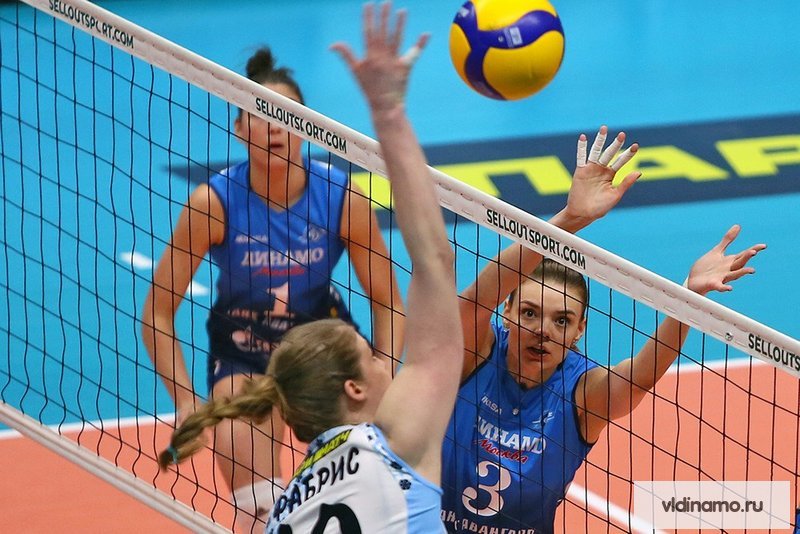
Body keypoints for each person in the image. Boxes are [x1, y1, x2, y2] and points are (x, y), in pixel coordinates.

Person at [158, 3, 461, 532]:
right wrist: (185, 399)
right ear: (238, 128)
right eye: (259, 113)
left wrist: (384, 367)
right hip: (243, 355)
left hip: (324, 354)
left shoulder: (342, 197)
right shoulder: (212, 204)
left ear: (306, 127)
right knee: (257, 508)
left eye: (287, 115)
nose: (274, 127)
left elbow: (387, 301)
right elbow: (158, 312)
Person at [440, 128, 767, 533]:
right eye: (529, 312)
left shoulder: (582, 394)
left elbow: (642, 375)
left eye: (562, 320)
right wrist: (569, 220)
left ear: (580, 330)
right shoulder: (475, 356)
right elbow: (473, 303)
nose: (543, 330)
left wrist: (688, 299)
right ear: (505, 311)